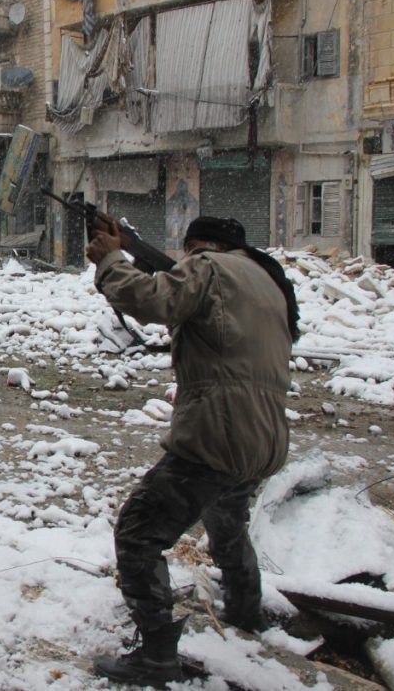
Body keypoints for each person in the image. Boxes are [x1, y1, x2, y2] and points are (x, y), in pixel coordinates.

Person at [86, 215, 300, 686]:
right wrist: (131, 249)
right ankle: (246, 615)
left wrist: (109, 261)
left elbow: (152, 300)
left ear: (200, 246)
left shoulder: (209, 266)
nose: (185, 260)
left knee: (139, 532)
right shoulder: (265, 280)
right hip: (264, 437)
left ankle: (156, 655)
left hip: (216, 433)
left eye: (188, 252)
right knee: (227, 524)